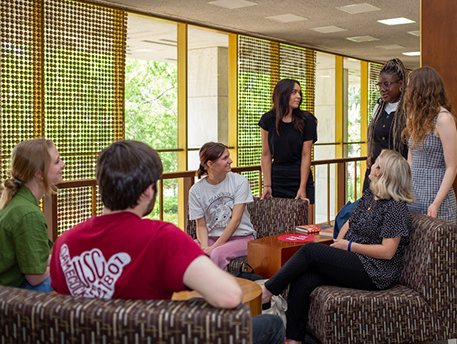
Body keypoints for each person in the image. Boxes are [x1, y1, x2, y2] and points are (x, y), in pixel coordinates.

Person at [50, 140, 284, 344]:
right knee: (271, 326)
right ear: (148, 191)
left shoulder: (65, 243)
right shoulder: (162, 237)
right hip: (157, 335)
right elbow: (230, 297)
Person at [261, 149, 414, 344]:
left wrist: (349, 246)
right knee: (303, 279)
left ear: (381, 173)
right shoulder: (370, 196)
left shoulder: (395, 208)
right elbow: (350, 223)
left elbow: (387, 252)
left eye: (375, 163)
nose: (371, 164)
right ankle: (294, 340)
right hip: (355, 260)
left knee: (310, 251)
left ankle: (268, 290)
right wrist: (336, 248)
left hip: (375, 271)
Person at [0, 139, 65, 292]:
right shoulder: (28, 214)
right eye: (57, 162)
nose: (63, 164)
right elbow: (35, 276)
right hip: (8, 293)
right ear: (38, 173)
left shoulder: (18, 202)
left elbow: (38, 259)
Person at [402, 66, 457, 223]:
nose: (406, 91)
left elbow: (452, 168)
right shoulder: (413, 118)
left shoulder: (444, 119)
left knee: (437, 246)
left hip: (436, 196)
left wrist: (436, 203)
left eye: (409, 87)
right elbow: (410, 161)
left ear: (421, 89)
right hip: (414, 195)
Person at [189, 142, 255, 271]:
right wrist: (204, 248)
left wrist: (213, 248)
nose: (230, 161)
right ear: (210, 164)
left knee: (216, 253)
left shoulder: (240, 182)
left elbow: (235, 221)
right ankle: (189, 290)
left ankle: (215, 290)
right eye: (225, 158)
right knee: (187, 250)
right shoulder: (196, 190)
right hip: (212, 238)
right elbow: (201, 225)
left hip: (242, 238)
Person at [259, 79, 318, 223]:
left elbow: (306, 155)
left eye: (299, 92)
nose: (298, 96)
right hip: (277, 178)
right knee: (278, 224)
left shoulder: (307, 120)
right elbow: (266, 154)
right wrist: (267, 185)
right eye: (294, 92)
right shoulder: (267, 120)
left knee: (305, 226)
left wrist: (302, 187)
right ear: (282, 95)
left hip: (300, 177)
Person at [363, 58, 408, 191]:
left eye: (387, 84)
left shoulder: (408, 110)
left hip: (396, 177)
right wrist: (370, 155)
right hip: (374, 175)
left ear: (400, 84)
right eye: (380, 85)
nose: (382, 89)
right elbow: (371, 132)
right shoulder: (379, 108)